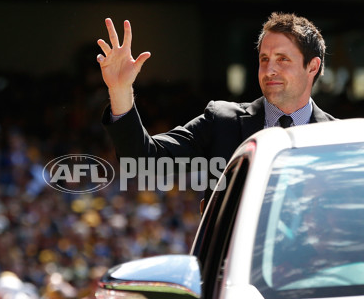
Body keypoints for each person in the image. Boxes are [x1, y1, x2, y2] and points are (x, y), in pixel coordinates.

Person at [97, 13, 337, 206]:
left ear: (312, 66)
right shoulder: (223, 122)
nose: (269, 69)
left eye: (282, 59)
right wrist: (120, 90)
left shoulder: (338, 138)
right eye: (264, 59)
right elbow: (144, 162)